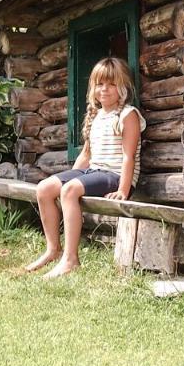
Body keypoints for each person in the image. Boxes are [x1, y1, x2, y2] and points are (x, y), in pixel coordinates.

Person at [25, 56, 145, 278]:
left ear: (124, 87)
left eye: (112, 84)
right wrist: (71, 176)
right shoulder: (97, 115)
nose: (105, 89)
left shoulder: (128, 115)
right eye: (100, 84)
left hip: (115, 176)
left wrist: (124, 190)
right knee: (43, 188)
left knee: (69, 191)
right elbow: (86, 155)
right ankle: (53, 249)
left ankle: (71, 260)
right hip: (94, 172)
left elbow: (129, 157)